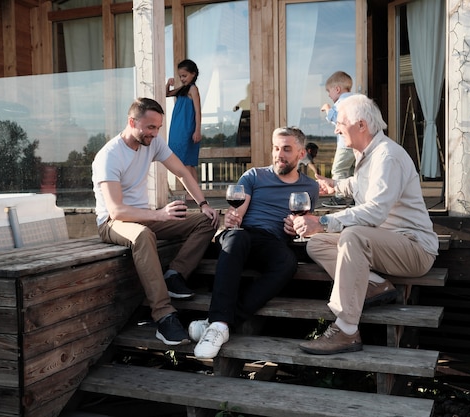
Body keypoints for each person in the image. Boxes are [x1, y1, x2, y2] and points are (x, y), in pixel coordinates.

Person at [292, 94, 439, 355]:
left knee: (353, 236)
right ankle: (373, 283)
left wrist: (324, 221)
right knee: (317, 244)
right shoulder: (367, 155)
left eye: (341, 122)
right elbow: (360, 185)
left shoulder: (387, 156)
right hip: (384, 244)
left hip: (414, 248)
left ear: (361, 125)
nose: (336, 128)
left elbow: (374, 212)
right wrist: (334, 185)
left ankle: (347, 330)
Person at [92, 97, 219, 346]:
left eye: (158, 127)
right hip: (112, 222)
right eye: (150, 127)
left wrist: (203, 204)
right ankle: (164, 316)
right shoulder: (109, 156)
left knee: (206, 221)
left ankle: (175, 274)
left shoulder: (153, 143)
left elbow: (182, 171)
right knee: (142, 235)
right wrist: (160, 214)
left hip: (144, 216)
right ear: (132, 122)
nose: (155, 133)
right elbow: (116, 211)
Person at [188, 126, 319, 359]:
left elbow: (304, 221)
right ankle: (219, 322)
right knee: (237, 238)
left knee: (288, 262)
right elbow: (238, 211)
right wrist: (232, 218)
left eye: (286, 149)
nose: (279, 154)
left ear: (301, 154)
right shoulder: (254, 176)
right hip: (242, 235)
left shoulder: (310, 187)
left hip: (272, 241)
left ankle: (218, 324)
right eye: (276, 148)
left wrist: (295, 227)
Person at [320, 71, 356, 207]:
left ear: (337, 89)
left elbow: (336, 119)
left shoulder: (341, 103)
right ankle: (356, 197)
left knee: (339, 170)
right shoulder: (356, 100)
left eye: (329, 91)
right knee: (355, 171)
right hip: (358, 145)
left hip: (345, 145)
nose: (329, 95)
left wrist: (328, 109)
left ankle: (340, 197)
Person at [166, 59, 202, 183]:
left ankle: (193, 192)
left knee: (186, 161)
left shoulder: (193, 89)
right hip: (177, 128)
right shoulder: (182, 89)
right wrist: (168, 84)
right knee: (184, 162)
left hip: (187, 129)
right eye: (180, 76)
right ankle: (194, 192)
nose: (182, 79)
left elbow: (198, 111)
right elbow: (167, 94)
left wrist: (197, 130)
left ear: (193, 74)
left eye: (184, 76)